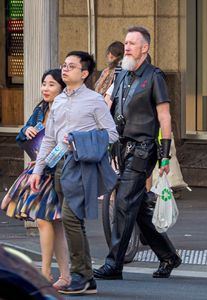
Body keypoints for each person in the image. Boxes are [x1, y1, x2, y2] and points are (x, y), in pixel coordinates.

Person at [93, 26, 181, 280]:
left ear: (145, 48)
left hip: (144, 149)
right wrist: (108, 143)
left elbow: (165, 116)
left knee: (123, 203)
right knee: (138, 206)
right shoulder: (120, 74)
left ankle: (114, 264)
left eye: (132, 43)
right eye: (126, 42)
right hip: (122, 146)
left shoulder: (155, 76)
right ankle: (168, 256)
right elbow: (111, 109)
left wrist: (165, 154)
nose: (127, 46)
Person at [29, 51, 119, 295]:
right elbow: (49, 138)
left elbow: (111, 134)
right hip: (59, 166)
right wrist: (38, 169)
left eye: (71, 66)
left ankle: (80, 274)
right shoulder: (58, 101)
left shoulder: (95, 100)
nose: (65, 69)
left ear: (85, 73)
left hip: (82, 165)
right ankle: (86, 277)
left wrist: (80, 140)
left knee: (70, 217)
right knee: (72, 220)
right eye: (64, 65)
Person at [2, 69, 71, 290]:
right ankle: (64, 275)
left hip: (57, 171)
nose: (45, 89)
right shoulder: (40, 109)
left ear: (62, 88)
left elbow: (66, 143)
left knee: (44, 220)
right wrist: (27, 130)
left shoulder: (67, 111)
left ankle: (46, 272)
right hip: (41, 170)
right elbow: (21, 136)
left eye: (51, 84)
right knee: (53, 223)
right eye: (44, 84)